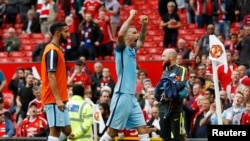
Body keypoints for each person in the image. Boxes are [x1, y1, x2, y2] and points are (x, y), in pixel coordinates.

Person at [99, 9, 149, 141]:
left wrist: (144, 26)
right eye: (134, 32)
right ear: (127, 37)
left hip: (131, 97)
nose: (137, 34)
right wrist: (131, 16)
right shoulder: (121, 49)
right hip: (122, 95)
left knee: (143, 129)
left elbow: (142, 41)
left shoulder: (133, 50)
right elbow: (120, 34)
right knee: (112, 132)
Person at [41, 22, 72, 141]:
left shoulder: (57, 50)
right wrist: (58, 99)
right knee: (55, 130)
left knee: (67, 130)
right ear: (58, 33)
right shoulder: (52, 50)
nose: (68, 34)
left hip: (59, 97)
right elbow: (51, 76)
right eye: (66, 31)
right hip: (54, 98)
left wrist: (65, 84)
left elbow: (56, 76)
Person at [158, 48, 187, 141]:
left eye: (163, 56)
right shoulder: (164, 72)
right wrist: (163, 94)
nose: (161, 58)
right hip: (163, 108)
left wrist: (168, 94)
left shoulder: (181, 69)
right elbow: (160, 87)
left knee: (177, 136)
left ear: (170, 57)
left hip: (175, 108)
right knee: (164, 136)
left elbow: (181, 84)